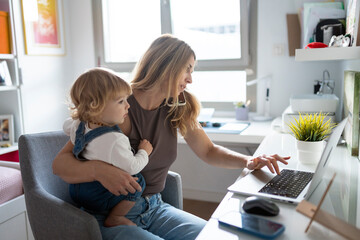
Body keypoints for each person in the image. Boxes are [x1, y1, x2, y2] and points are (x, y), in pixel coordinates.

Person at [53, 34, 290, 240]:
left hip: (154, 208)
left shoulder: (178, 105)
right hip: (108, 215)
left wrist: (247, 161)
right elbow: (60, 164)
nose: (190, 78)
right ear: (166, 65)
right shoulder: (118, 104)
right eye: (187, 68)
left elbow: (208, 150)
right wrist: (98, 170)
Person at [63, 68, 153, 227]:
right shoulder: (115, 139)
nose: (128, 106)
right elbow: (133, 166)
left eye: (127, 100)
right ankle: (116, 217)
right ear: (96, 106)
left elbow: (65, 126)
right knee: (138, 182)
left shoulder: (78, 124)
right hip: (100, 195)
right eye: (121, 101)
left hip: (77, 189)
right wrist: (144, 151)